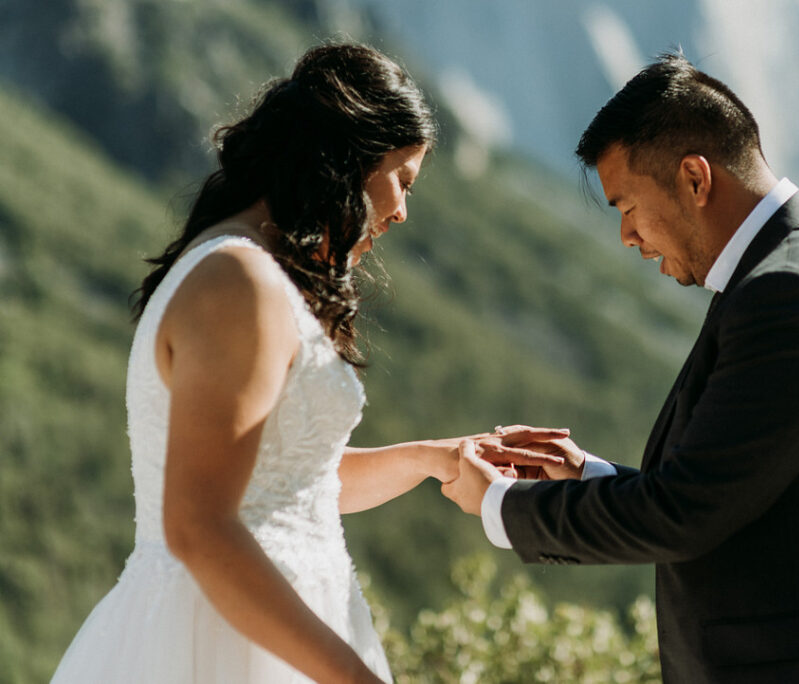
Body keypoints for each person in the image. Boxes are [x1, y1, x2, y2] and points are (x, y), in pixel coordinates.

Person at [442, 52, 799, 683]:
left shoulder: (792, 292)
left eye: (626, 206)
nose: (627, 237)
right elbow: (729, 486)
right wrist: (588, 478)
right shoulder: (789, 264)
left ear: (694, 177)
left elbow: (684, 513)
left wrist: (503, 504)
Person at [50, 43, 559, 684]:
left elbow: (283, 486)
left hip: (267, 626)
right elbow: (200, 527)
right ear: (348, 157)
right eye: (402, 180)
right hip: (219, 643)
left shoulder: (250, 273)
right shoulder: (239, 281)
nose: (402, 212)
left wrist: (435, 458)